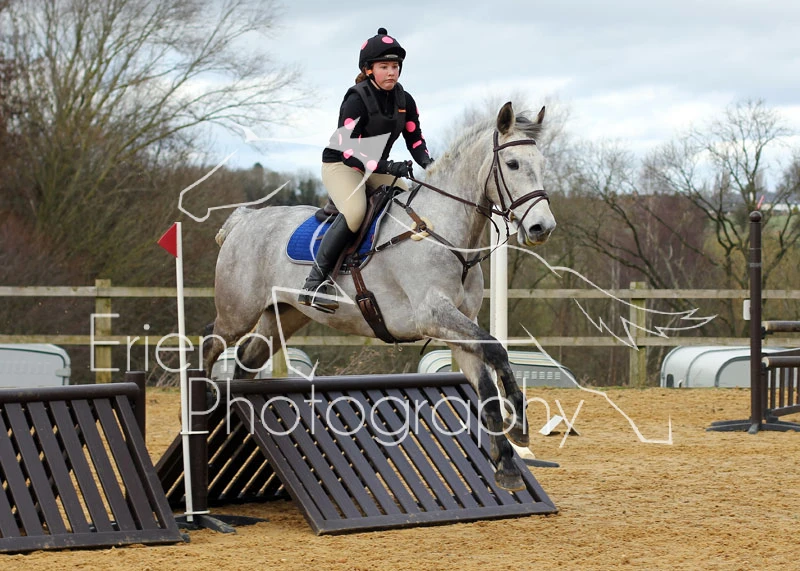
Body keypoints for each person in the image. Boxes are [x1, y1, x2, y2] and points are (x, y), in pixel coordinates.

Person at [298, 27, 434, 313]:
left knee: (408, 203)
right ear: (368, 69)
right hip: (342, 164)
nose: (391, 72)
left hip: (374, 167)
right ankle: (314, 283)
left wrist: (431, 166)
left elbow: (415, 140)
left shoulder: (405, 101)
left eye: (395, 66)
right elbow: (349, 150)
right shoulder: (356, 99)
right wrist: (387, 166)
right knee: (356, 211)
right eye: (384, 67)